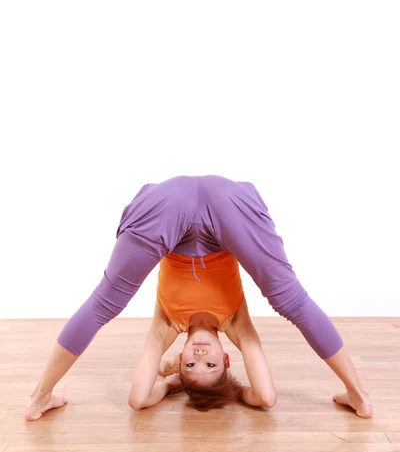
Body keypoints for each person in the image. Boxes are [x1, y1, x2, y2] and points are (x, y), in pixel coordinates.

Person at [25, 175, 372, 420]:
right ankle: (358, 394)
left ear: (178, 361)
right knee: (290, 300)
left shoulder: (166, 327)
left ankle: (40, 395)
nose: (201, 356)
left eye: (191, 364)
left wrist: (173, 383)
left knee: (106, 302)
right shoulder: (237, 324)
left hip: (166, 204)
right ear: (227, 358)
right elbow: (266, 397)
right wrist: (235, 390)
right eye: (212, 365)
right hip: (228, 205)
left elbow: (137, 399)